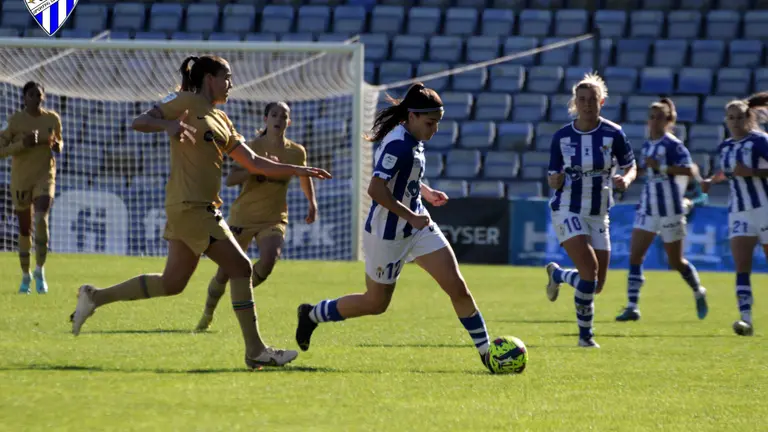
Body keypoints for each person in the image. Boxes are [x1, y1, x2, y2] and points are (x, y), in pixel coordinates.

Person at [69, 55, 331, 369]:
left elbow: (255, 163)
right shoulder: (182, 101)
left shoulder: (222, 119)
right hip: (190, 207)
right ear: (209, 78)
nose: (231, 83)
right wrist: (167, 124)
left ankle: (94, 296)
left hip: (200, 207)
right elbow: (139, 121)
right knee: (241, 268)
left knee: (172, 283)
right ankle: (256, 350)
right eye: (227, 77)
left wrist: (301, 169)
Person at [294, 83, 494, 371]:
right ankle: (312, 314)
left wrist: (424, 192)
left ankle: (487, 352)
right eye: (430, 122)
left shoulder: (411, 139)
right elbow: (376, 190)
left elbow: (403, 176)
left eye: (437, 122)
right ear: (411, 116)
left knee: (457, 286)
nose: (435, 129)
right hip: (387, 232)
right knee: (376, 303)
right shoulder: (399, 145)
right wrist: (410, 216)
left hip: (418, 226)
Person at [195, 101, 317, 332]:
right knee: (223, 272)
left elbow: (304, 174)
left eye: (284, 116)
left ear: (288, 122)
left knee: (270, 259)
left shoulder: (296, 151)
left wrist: (312, 202)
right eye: (274, 114)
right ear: (266, 119)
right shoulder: (251, 147)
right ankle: (207, 314)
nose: (279, 119)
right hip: (243, 217)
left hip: (274, 218)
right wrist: (258, 168)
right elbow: (231, 180)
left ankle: (242, 295)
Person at [544, 73, 637, 348]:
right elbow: (553, 173)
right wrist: (554, 180)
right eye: (581, 100)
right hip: (568, 209)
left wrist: (627, 179)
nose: (586, 104)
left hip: (599, 213)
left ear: (602, 101)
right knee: (589, 269)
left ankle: (558, 275)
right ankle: (586, 338)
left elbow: (631, 165)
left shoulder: (613, 133)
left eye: (592, 99)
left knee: (596, 284)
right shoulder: (562, 136)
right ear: (575, 102)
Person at [615, 98, 708, 322]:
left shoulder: (672, 144)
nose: (654, 121)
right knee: (635, 255)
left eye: (659, 117)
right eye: (651, 116)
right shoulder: (648, 144)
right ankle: (632, 306)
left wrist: (662, 167)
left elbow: (689, 170)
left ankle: (698, 290)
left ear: (668, 120)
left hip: (670, 210)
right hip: (648, 207)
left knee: (676, 261)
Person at [701, 92, 768, 337]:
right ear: (726, 121)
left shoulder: (760, 141)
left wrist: (752, 172)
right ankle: (746, 319)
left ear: (748, 118)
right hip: (739, 212)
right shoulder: (726, 146)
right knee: (742, 266)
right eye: (731, 118)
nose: (735, 122)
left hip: (764, 209)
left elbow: (746, 171)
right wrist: (712, 180)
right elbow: (728, 172)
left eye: (739, 117)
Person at [0, 81, 62, 295]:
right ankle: (25, 275)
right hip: (21, 180)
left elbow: (60, 143)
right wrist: (23, 144)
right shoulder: (15, 121)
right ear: (24, 97)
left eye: (40, 95)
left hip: (45, 176)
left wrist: (57, 146)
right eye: (33, 95)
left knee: (41, 220)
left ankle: (40, 270)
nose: (37, 98)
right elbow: (1, 150)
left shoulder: (52, 119)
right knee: (25, 229)